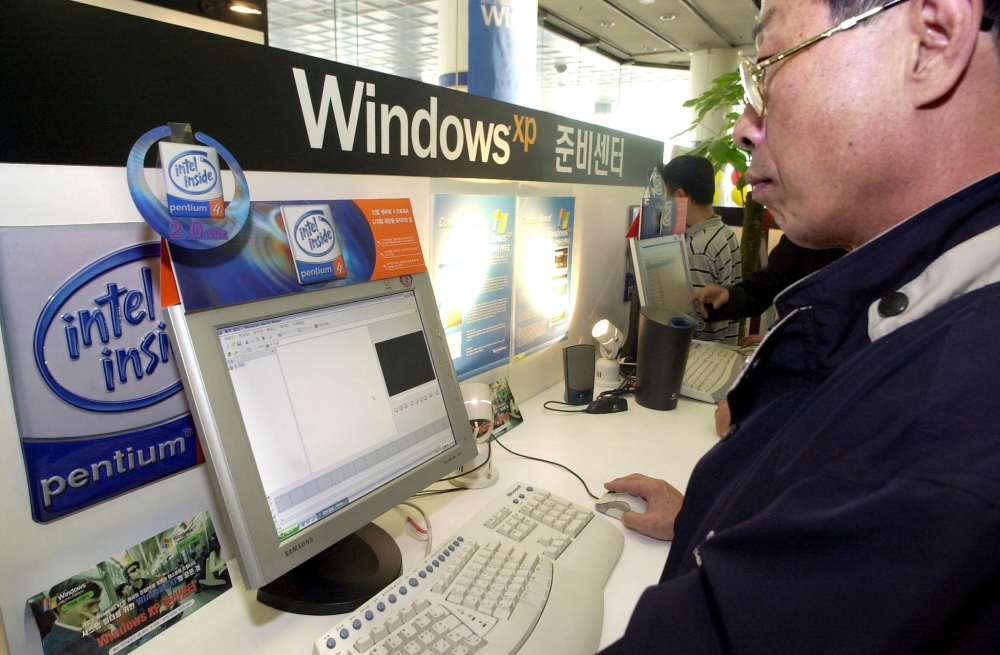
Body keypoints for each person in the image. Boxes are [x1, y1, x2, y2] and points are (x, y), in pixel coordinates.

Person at [602, 0, 1000, 651]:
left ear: (933, 39)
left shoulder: (953, 413)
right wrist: (711, 519)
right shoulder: (905, 304)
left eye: (768, 70)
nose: (744, 127)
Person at [661, 154, 742, 344]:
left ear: (680, 196)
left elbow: (699, 326)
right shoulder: (725, 232)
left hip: (705, 355)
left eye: (667, 196)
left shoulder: (698, 249)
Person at [42, 578, 108, 655]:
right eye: (89, 605)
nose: (97, 609)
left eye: (97, 603)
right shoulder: (59, 648)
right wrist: (104, 634)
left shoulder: (88, 624)